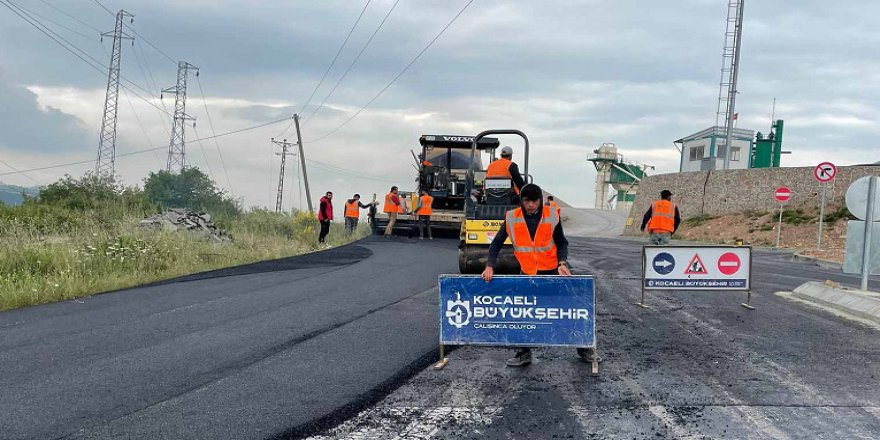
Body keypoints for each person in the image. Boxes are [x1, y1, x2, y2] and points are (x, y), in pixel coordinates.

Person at [481, 183, 596, 367]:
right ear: (521, 201)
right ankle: (523, 353)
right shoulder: (512, 218)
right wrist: (489, 265)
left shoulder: (551, 215)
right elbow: (496, 244)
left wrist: (562, 262)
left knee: (567, 309)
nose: (531, 205)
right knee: (524, 314)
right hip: (527, 273)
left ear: (540, 200)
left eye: (535, 201)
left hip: (551, 270)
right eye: (527, 201)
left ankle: (583, 348)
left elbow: (562, 243)